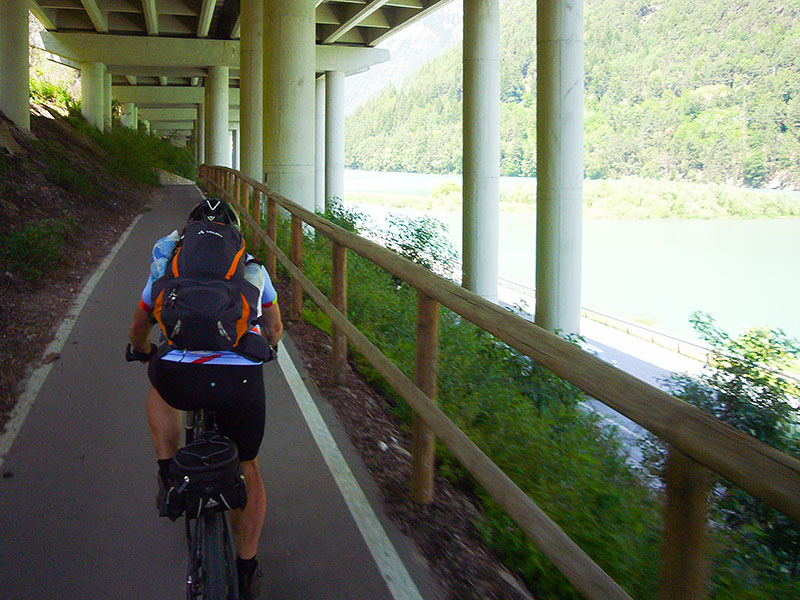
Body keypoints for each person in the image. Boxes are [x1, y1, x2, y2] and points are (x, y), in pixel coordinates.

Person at [128, 197, 282, 600]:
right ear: (234, 235)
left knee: (159, 390)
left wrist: (142, 349)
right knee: (248, 467)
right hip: (240, 383)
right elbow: (275, 326)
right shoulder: (253, 267)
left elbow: (141, 322)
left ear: (189, 234)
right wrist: (269, 344)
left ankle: (167, 474)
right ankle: (246, 571)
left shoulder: (168, 261)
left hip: (180, 374)